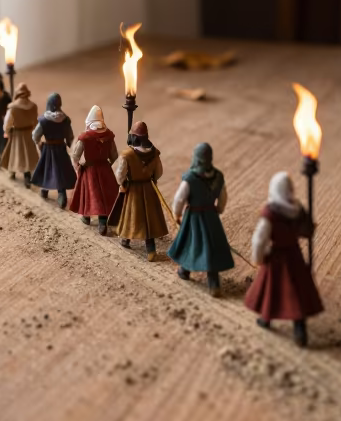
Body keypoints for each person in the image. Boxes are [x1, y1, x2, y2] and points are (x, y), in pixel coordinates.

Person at [243, 171, 324, 348]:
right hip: (294, 255)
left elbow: (259, 239)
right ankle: (299, 328)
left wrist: (258, 257)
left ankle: (266, 318)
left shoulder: (270, 214)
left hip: (277, 256)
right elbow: (306, 231)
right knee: (296, 291)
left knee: (271, 287)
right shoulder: (298, 209)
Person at [167, 143, 235, 297]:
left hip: (194, 217)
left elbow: (179, 199)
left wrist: (176, 214)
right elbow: (223, 197)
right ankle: (214, 283)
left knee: (192, 242)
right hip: (211, 217)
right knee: (211, 247)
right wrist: (219, 210)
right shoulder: (218, 176)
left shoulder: (190, 178)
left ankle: (184, 270)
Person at [112, 121, 168, 261]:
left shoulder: (127, 155)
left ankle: (126, 239)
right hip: (149, 189)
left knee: (131, 215)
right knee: (148, 220)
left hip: (134, 189)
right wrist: (152, 178)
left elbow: (120, 174)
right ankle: (151, 250)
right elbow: (159, 172)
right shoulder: (154, 153)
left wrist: (122, 183)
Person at [68, 105, 119, 233]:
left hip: (90, 168)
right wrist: (107, 164)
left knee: (89, 194)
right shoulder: (109, 135)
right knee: (104, 196)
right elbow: (114, 155)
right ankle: (103, 221)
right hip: (104, 168)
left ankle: (86, 217)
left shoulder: (85, 137)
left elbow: (75, 155)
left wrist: (78, 166)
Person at [30, 93, 77, 208]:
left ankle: (45, 190)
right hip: (60, 148)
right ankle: (62, 194)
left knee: (47, 169)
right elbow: (70, 136)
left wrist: (39, 143)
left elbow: (35, 135)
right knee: (60, 171)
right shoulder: (65, 120)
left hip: (48, 149)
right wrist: (71, 146)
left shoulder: (44, 120)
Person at [0, 83, 39, 188]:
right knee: (26, 155)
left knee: (15, 153)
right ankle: (27, 175)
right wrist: (35, 132)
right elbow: (35, 122)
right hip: (28, 133)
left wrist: (6, 131)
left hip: (17, 133)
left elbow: (7, 121)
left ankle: (12, 172)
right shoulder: (33, 106)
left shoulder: (13, 107)